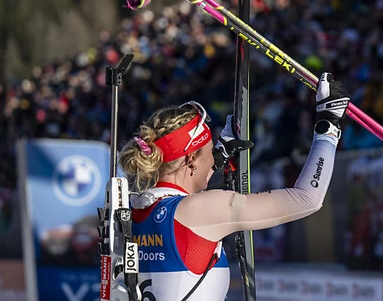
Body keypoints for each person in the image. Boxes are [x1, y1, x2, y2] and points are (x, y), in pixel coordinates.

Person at [118, 73, 349, 301]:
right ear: (190, 161)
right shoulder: (198, 210)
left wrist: (218, 157)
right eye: (211, 151)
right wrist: (328, 126)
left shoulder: (130, 212)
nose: (214, 158)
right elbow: (307, 198)